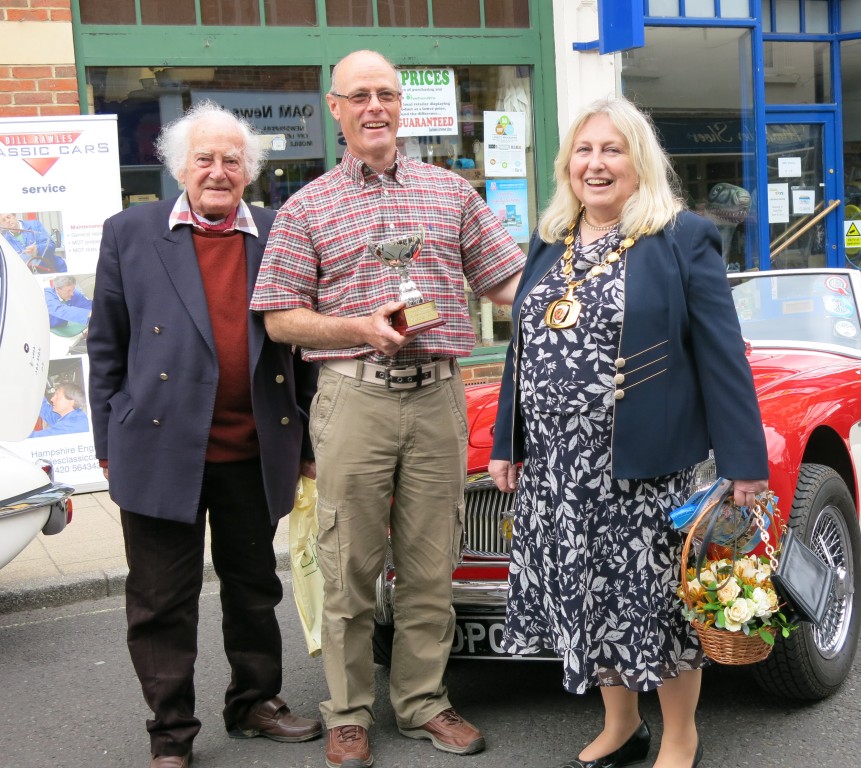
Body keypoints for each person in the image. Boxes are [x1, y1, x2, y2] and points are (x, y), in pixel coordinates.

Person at [250, 49, 524, 768]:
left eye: (387, 95)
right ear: (334, 108)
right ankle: (346, 712)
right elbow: (279, 318)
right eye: (359, 96)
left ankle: (424, 703)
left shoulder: (452, 193)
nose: (375, 107)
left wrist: (586, 278)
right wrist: (356, 327)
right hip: (353, 397)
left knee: (433, 564)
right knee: (349, 569)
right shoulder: (305, 208)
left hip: (437, 395)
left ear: (402, 106)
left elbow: (507, 281)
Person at [487, 97, 770, 768]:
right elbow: (522, 348)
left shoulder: (682, 237)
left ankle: (680, 736)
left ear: (639, 161)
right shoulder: (551, 238)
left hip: (645, 467)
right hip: (560, 470)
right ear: (567, 166)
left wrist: (744, 461)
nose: (596, 164)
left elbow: (721, 356)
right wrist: (509, 438)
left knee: (657, 608)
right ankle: (621, 725)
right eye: (584, 151)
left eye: (612, 150)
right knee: (589, 599)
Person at [87, 101, 322, 768]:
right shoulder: (130, 231)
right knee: (161, 600)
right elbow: (105, 347)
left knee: (255, 587)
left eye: (232, 160)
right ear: (180, 167)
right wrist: (109, 441)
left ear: (249, 170)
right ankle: (170, 733)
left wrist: (305, 445)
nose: (218, 171)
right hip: (158, 448)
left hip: (254, 447)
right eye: (205, 159)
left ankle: (254, 703)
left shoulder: (281, 232)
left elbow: (301, 350)